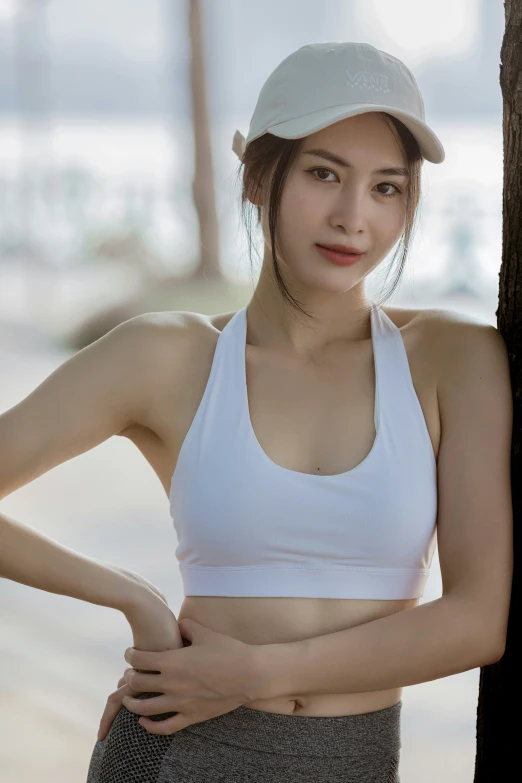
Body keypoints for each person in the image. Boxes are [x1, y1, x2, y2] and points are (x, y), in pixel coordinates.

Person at [0, 41, 513, 783]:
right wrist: (131, 594)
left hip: (351, 761)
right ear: (256, 176)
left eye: (386, 188)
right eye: (323, 173)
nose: (352, 217)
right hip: (173, 753)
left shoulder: (453, 359)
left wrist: (252, 673)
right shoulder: (166, 357)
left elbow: (476, 619)